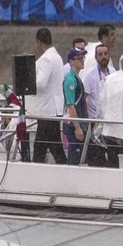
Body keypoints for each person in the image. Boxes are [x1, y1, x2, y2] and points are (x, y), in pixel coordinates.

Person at [27, 27, 67, 164]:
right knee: (52, 146)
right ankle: (65, 169)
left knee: (42, 146)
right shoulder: (57, 57)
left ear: (39, 42)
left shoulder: (46, 59)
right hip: (53, 109)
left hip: (46, 110)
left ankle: (36, 170)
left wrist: (27, 81)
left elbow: (41, 83)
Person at [60, 48, 88, 164]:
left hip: (80, 123)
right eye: (79, 58)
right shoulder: (70, 80)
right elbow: (70, 105)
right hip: (74, 126)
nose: (82, 60)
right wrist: (77, 127)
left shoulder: (76, 78)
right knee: (74, 159)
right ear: (71, 62)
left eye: (83, 58)